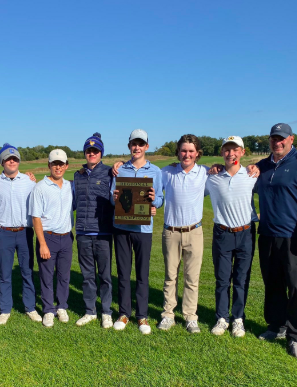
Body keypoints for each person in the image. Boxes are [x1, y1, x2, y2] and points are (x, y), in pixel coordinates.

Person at [256, 123, 297, 358]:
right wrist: (214, 168)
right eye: (274, 138)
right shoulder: (262, 166)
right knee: (273, 284)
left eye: (282, 138)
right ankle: (277, 325)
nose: (278, 142)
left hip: (295, 238)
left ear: (291, 139)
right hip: (267, 236)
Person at [111, 129, 163, 334]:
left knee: (142, 274)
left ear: (147, 147)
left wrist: (154, 205)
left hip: (143, 228)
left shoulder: (155, 171)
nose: (137, 147)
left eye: (141, 144)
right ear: (129, 146)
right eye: (134, 144)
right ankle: (124, 313)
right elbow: (110, 197)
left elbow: (159, 198)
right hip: (122, 227)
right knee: (123, 273)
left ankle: (142, 316)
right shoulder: (119, 170)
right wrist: (114, 198)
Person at [205, 136, 258, 337]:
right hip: (222, 233)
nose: (231, 154)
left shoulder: (252, 175)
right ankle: (222, 318)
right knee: (222, 279)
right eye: (227, 150)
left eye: (235, 150)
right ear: (222, 153)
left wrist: (257, 166)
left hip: (245, 233)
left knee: (241, 279)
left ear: (242, 152)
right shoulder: (212, 177)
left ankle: (238, 319)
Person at [158, 134, 209, 333]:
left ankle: (190, 316)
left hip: (194, 231)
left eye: (191, 151)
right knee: (170, 276)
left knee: (192, 277)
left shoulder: (205, 173)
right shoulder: (166, 172)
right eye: (183, 150)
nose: (186, 154)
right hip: (171, 232)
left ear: (197, 153)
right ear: (178, 152)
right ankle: (168, 314)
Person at [0, 143, 41, 326]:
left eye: (15, 158)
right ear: (2, 161)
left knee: (27, 271)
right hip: (4, 233)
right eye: (8, 159)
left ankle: (30, 308)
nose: (12, 161)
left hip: (25, 232)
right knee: (4, 273)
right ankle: (4, 309)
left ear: (18, 161)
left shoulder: (29, 181)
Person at [73, 133, 114, 328]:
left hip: (103, 233)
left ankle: (106, 311)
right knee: (87, 275)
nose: (92, 153)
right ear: (85, 153)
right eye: (89, 151)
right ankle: (90, 311)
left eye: (95, 151)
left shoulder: (109, 172)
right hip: (82, 232)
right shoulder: (77, 175)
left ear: (101, 153)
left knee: (105, 276)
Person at [32, 149, 74, 327]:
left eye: (61, 164)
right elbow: (36, 217)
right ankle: (49, 309)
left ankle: (62, 306)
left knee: (64, 275)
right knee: (47, 276)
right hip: (48, 237)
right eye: (54, 164)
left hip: (66, 237)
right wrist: (42, 243)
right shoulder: (40, 187)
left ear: (66, 166)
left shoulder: (69, 186)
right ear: (49, 165)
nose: (58, 167)